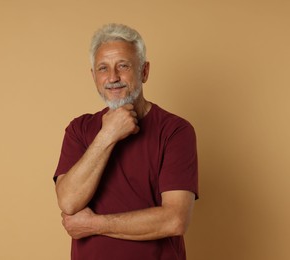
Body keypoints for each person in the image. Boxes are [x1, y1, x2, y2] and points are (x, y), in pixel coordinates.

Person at [53, 23, 198, 260]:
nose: (113, 77)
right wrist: (108, 135)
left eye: (123, 65)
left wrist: (94, 224)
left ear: (144, 71)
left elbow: (175, 220)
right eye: (103, 68)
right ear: (93, 76)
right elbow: (68, 201)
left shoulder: (176, 131)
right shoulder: (79, 130)